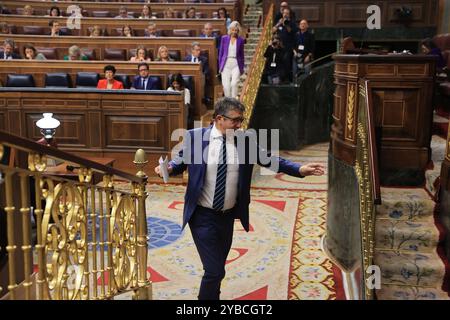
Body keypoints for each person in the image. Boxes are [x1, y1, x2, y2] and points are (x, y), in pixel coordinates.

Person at [154, 97, 325, 300]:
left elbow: (270, 159)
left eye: (240, 120)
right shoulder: (195, 137)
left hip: (227, 217)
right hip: (201, 215)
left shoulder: (245, 141)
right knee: (215, 271)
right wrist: (168, 168)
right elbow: (179, 162)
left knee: (218, 266)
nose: (239, 124)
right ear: (219, 118)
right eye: (235, 120)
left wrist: (299, 169)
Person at [218, 21, 245, 98]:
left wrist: (242, 68)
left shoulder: (241, 40)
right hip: (226, 63)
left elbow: (241, 55)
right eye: (233, 30)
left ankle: (233, 101)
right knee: (226, 86)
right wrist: (220, 66)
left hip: (236, 63)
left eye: (236, 30)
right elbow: (221, 53)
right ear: (230, 29)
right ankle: (228, 100)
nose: (234, 32)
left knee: (234, 83)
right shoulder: (224, 38)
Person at [272, 7, 297, 81]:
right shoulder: (279, 22)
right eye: (284, 13)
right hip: (279, 47)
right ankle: (280, 78)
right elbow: (273, 31)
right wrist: (279, 24)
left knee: (286, 63)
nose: (285, 14)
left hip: (288, 47)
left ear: (289, 15)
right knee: (279, 63)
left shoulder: (292, 23)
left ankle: (287, 79)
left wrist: (286, 24)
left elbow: (290, 31)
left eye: (287, 13)